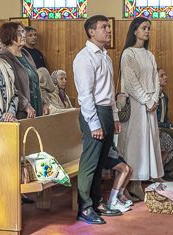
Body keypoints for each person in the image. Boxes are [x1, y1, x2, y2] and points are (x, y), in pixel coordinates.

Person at [73, 15, 122, 225]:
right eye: (104, 27)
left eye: (108, 27)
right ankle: (84, 208)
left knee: (102, 162)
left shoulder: (105, 56)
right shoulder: (85, 57)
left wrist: (115, 116)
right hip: (93, 113)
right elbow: (85, 95)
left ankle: (96, 202)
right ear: (91, 31)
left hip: (106, 111)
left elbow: (110, 92)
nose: (108, 30)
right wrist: (94, 123)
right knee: (90, 162)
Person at [118, 17, 164, 201]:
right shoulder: (128, 54)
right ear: (134, 30)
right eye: (144, 28)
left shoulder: (149, 54)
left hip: (149, 107)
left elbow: (155, 79)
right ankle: (129, 183)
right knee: (134, 144)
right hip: (136, 106)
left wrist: (154, 99)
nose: (147, 31)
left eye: (149, 29)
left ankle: (140, 181)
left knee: (148, 143)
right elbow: (131, 82)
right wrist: (147, 100)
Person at [0, 21, 49, 119]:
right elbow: (11, 87)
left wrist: (43, 103)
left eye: (23, 32)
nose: (23, 35)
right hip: (21, 110)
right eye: (19, 33)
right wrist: (26, 106)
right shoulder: (3, 57)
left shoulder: (26, 54)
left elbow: (35, 82)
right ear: (9, 35)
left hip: (35, 105)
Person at [104, 137, 133, 213]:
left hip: (112, 152)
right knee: (125, 169)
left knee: (130, 170)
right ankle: (112, 201)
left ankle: (120, 194)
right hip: (105, 154)